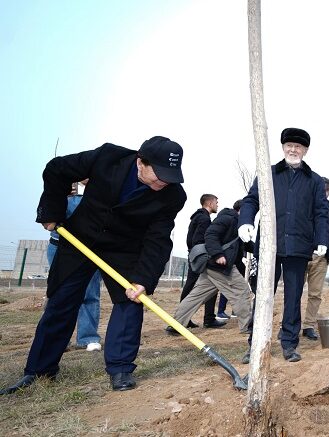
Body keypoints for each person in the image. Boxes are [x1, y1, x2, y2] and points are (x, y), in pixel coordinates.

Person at [0, 136, 186, 395]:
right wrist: (52, 211)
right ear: (140, 162)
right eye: (159, 175)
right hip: (80, 238)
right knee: (61, 301)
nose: (164, 182)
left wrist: (143, 279)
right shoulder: (108, 157)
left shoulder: (173, 196)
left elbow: (158, 239)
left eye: (170, 176)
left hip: (124, 249)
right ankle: (39, 370)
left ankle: (121, 369)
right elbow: (57, 169)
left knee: (130, 300)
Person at [238, 127, 329, 363]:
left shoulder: (315, 181)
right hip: (268, 245)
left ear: (305, 150)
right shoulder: (268, 174)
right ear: (282, 147)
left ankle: (289, 343)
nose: (293, 149)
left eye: (298, 146)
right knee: (262, 296)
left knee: (293, 296)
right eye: (289, 145)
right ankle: (255, 343)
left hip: (298, 248)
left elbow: (321, 213)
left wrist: (322, 239)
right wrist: (246, 221)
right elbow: (251, 200)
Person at [167, 200, 253, 335]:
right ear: (242, 209)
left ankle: (175, 324)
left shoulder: (237, 224)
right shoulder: (228, 218)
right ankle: (247, 325)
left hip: (213, 267)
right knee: (241, 290)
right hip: (219, 266)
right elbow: (210, 234)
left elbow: (245, 244)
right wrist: (218, 254)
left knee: (196, 295)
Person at [47, 180, 102, 351]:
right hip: (60, 248)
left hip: (89, 251)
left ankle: (87, 337)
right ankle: (54, 339)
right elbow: (48, 220)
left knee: (90, 294)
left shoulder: (100, 195)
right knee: (58, 294)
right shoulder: (61, 194)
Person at [301, 176, 329, 341]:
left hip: (321, 258)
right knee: (294, 292)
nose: (323, 193)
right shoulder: (303, 207)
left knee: (315, 294)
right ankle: (288, 325)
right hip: (301, 255)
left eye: (326, 190)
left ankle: (308, 325)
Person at [180, 194, 226, 329]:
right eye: (216, 202)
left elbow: (191, 240)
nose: (217, 205)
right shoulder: (204, 219)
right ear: (210, 203)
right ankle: (205, 319)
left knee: (193, 285)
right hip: (201, 258)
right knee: (204, 285)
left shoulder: (198, 217)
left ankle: (186, 318)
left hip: (195, 256)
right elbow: (198, 240)